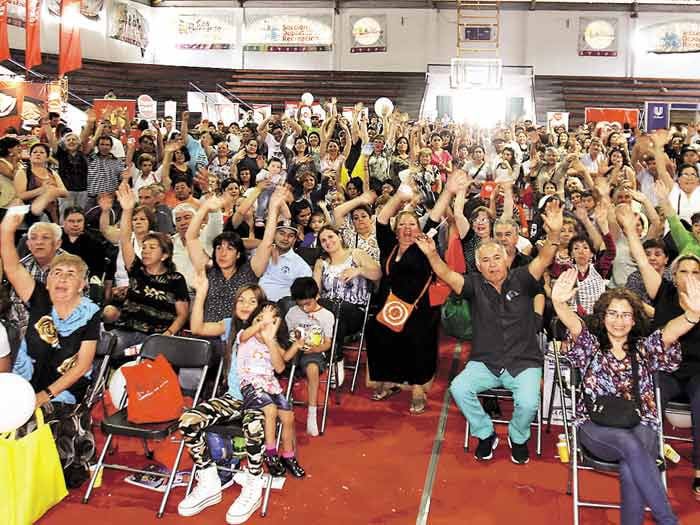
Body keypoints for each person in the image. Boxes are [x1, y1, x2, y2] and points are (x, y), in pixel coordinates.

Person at [414, 192, 563, 463]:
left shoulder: (523, 277)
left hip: (524, 362)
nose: (493, 264)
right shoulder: (473, 285)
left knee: (529, 403)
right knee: (459, 388)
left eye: (497, 258)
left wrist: (554, 234)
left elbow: (544, 259)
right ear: (479, 266)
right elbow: (446, 274)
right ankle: (485, 433)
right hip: (485, 362)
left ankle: (518, 437)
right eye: (486, 261)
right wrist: (433, 254)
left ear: (507, 259)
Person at [552, 270, 700, 525]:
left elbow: (670, 333)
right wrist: (559, 304)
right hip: (594, 427)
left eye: (625, 314)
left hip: (641, 425)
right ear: (602, 316)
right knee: (631, 447)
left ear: (634, 320)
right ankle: (668, 520)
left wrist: (692, 316)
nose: (618, 321)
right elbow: (575, 326)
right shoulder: (591, 346)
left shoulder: (645, 348)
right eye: (612, 313)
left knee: (633, 463)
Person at [621, 206, 700, 499]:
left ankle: (699, 471)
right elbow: (642, 260)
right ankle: (646, 460)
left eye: (696, 272)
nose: (689, 276)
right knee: (647, 396)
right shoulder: (663, 291)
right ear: (673, 273)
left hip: (697, 373)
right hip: (665, 370)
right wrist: (630, 229)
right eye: (684, 271)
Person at [178, 278, 267, 523]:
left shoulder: (270, 329)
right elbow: (196, 327)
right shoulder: (229, 325)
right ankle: (208, 480)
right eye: (241, 300)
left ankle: (254, 481)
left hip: (259, 400)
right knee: (188, 421)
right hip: (233, 398)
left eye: (253, 301)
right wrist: (202, 293)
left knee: (253, 426)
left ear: (262, 306)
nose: (246, 304)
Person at [1, 209, 99, 405]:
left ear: (81, 285)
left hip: (63, 393)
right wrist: (6, 231)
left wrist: (45, 396)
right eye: (56, 273)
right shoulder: (39, 297)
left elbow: (82, 366)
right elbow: (12, 267)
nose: (62, 277)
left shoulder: (90, 313)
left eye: (70, 274)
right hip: (25, 384)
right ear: (47, 282)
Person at [108, 183, 189, 356]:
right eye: (144, 247)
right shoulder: (137, 270)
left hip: (155, 337)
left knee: (146, 355)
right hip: (126, 331)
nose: (145, 251)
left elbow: (182, 315)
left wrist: (167, 335)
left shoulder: (176, 279)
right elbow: (124, 239)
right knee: (107, 347)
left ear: (164, 255)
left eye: (152, 247)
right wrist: (127, 210)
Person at [237, 302, 306, 478]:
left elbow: (281, 365)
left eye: (271, 323)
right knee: (271, 410)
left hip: (270, 384)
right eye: (259, 319)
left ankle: (288, 456)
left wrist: (296, 345)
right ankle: (271, 454)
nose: (264, 326)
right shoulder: (245, 336)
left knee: (288, 416)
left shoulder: (272, 342)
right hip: (251, 382)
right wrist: (262, 323)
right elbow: (245, 334)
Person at [313, 225, 380, 385]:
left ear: (339, 236)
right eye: (323, 240)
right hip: (328, 312)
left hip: (354, 310)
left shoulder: (355, 254)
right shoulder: (321, 263)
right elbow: (315, 292)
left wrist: (359, 271)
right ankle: (337, 359)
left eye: (330, 237)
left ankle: (332, 360)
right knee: (333, 317)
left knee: (338, 310)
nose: (328, 242)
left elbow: (378, 274)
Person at [285, 277, 335, 436]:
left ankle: (312, 414)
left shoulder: (326, 316)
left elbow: (328, 344)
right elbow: (287, 335)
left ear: (317, 297)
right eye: (301, 305)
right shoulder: (292, 313)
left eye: (308, 304)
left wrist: (315, 348)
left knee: (312, 368)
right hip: (293, 349)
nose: (305, 309)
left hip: (313, 351)